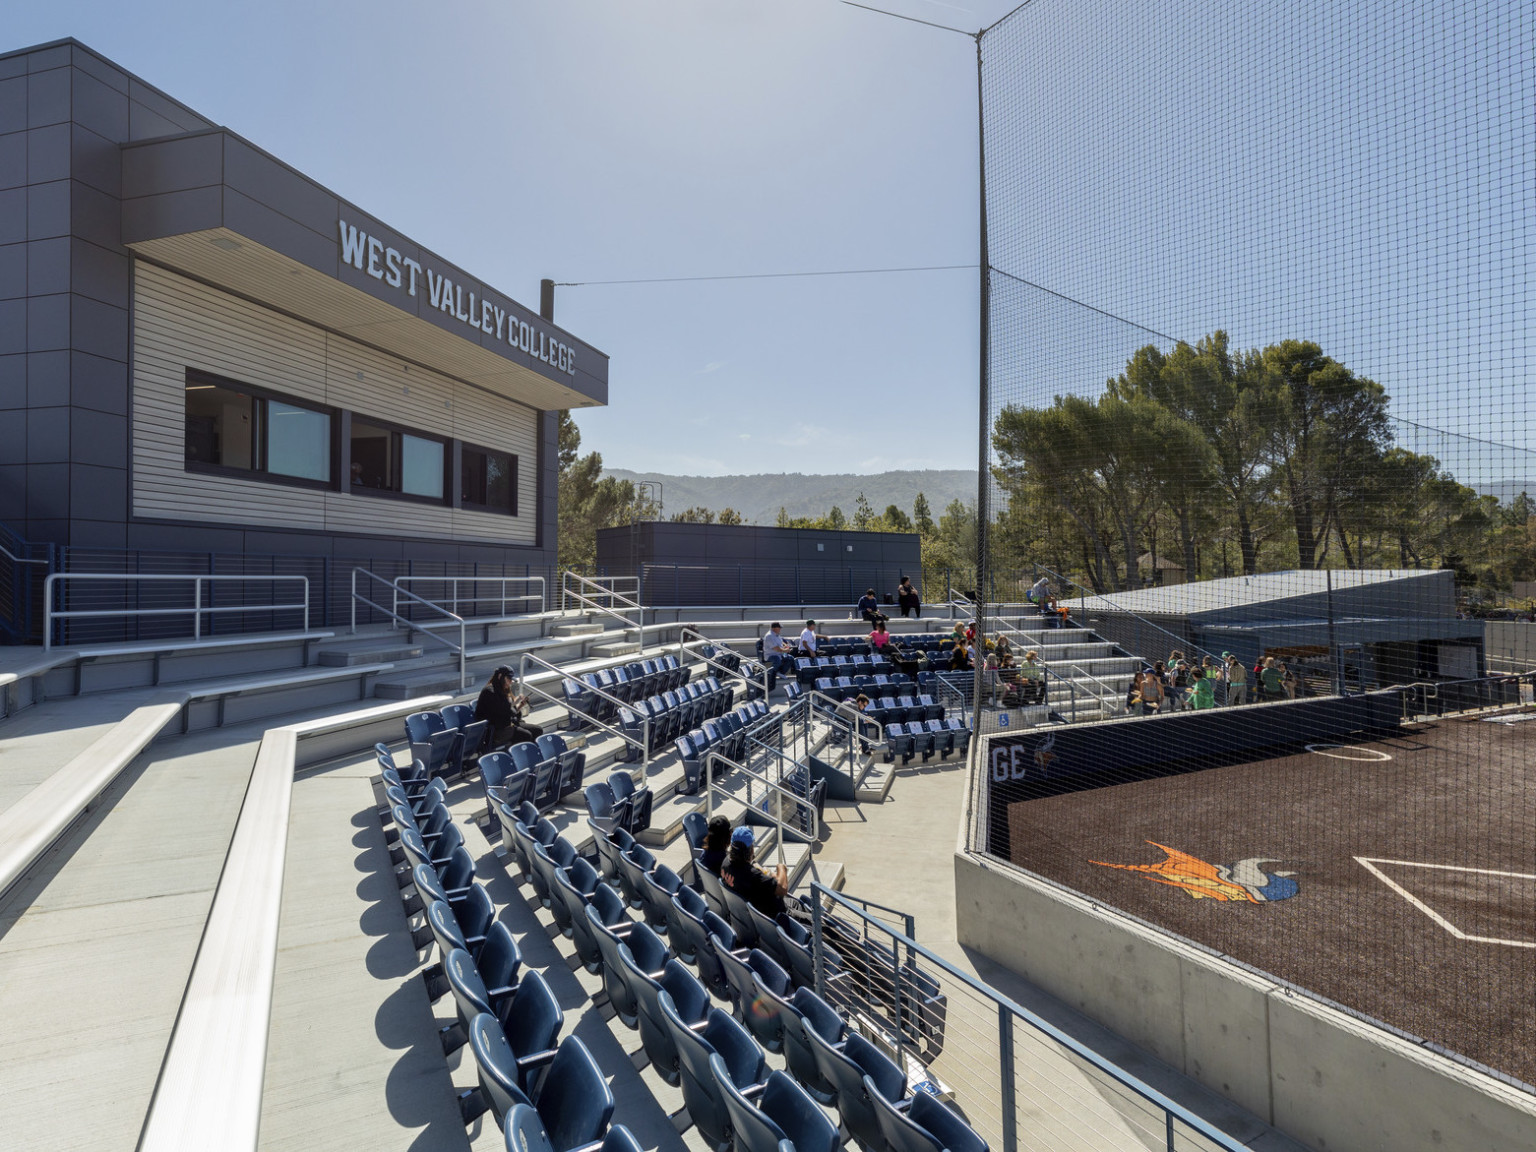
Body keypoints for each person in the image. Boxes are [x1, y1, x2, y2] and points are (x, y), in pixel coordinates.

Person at [720, 826, 788, 917]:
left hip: (747, 916)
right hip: (776, 916)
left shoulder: (725, 863)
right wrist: (781, 868)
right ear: (751, 849)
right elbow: (782, 889)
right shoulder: (752, 875)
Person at [475, 665, 543, 750]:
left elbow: (510, 712)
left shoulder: (503, 689)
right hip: (497, 730)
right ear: (500, 676)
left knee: (537, 730)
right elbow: (500, 710)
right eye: (509, 679)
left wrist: (520, 705)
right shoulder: (489, 691)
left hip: (509, 724)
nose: (510, 682)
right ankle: (519, 759)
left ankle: (531, 756)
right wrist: (514, 702)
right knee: (526, 735)